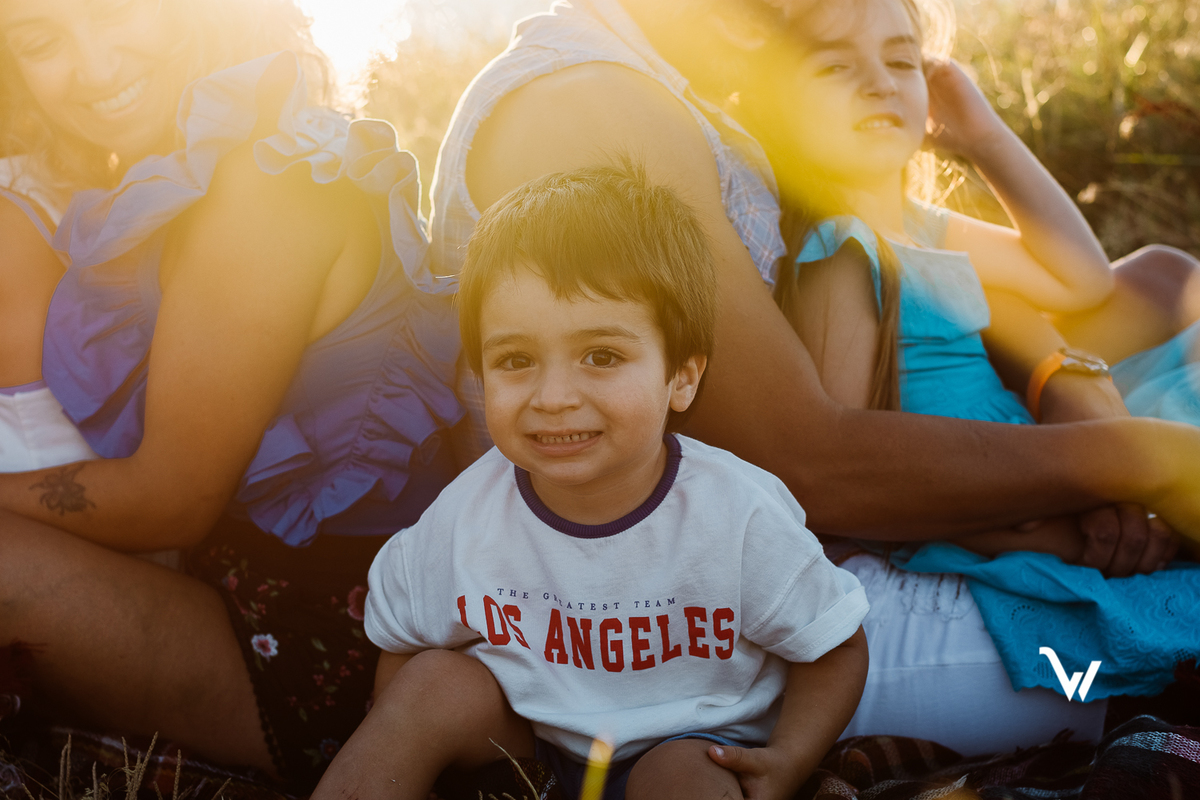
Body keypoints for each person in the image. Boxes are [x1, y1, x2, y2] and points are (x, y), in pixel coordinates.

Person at [426, 0, 1200, 753]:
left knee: (1166, 283)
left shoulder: (668, 88)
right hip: (683, 615)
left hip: (771, 546)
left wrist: (1062, 377)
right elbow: (808, 464)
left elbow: (1034, 288)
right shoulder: (596, 105)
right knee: (1147, 627)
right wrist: (1140, 459)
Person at [0, 0, 464, 788]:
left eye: (112, 15)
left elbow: (171, 497)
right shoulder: (178, 175)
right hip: (233, 594)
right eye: (42, 40)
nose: (94, 68)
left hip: (337, 650)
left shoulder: (266, 183)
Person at [313, 163, 870, 800]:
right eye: (516, 361)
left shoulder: (736, 513)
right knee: (434, 681)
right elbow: (402, 646)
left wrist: (791, 760)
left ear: (681, 378)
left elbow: (835, 647)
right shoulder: (466, 516)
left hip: (686, 750)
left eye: (601, 356)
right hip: (528, 758)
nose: (553, 397)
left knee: (682, 777)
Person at [767, 0, 1200, 747]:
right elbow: (851, 475)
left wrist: (982, 136)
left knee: (1176, 299)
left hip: (1044, 474)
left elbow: (1080, 278)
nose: (878, 83)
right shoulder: (843, 250)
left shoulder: (920, 225)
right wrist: (1022, 527)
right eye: (837, 67)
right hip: (996, 515)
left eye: (901, 61)